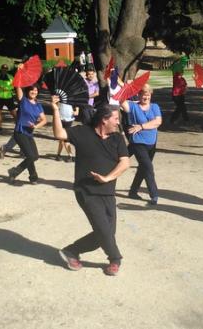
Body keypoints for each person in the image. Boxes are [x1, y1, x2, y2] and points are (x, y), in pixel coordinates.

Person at [50, 99, 130, 276]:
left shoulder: (117, 138)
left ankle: (70, 250)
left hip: (108, 191)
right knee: (103, 230)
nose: (118, 122)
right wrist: (55, 110)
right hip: (86, 191)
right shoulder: (82, 132)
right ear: (104, 119)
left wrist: (107, 178)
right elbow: (59, 133)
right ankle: (115, 259)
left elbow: (125, 163)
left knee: (106, 233)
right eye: (116, 119)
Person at [120, 84, 162, 205]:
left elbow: (157, 122)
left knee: (143, 168)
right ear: (139, 95)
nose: (146, 97)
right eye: (144, 95)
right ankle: (154, 195)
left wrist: (141, 126)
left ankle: (133, 191)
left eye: (148, 95)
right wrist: (124, 87)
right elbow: (120, 99)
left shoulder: (155, 107)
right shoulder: (132, 106)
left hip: (151, 143)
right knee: (148, 167)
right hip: (138, 142)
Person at [5, 82, 47, 184]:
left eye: (36, 90)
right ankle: (16, 172)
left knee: (34, 156)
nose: (34, 92)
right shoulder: (23, 100)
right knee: (31, 156)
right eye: (32, 90)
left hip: (29, 133)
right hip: (19, 132)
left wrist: (36, 126)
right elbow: (18, 87)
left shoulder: (38, 105)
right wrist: (19, 72)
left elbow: (44, 120)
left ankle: (32, 177)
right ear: (28, 91)